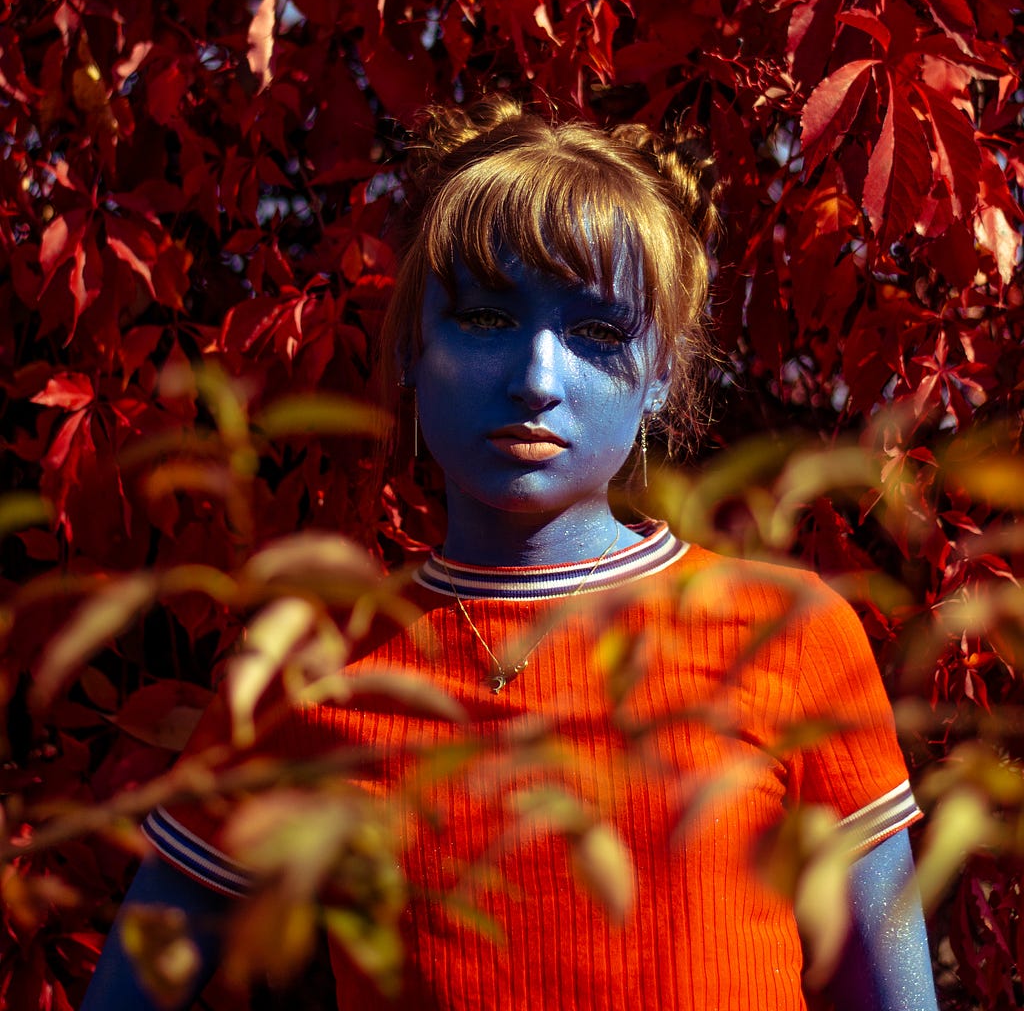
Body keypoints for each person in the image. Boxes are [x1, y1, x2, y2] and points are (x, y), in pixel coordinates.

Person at [82, 98, 938, 1010]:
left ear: (662, 378)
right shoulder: (309, 673)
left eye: (599, 333)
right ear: (411, 347)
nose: (536, 378)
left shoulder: (793, 636)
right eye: (487, 319)